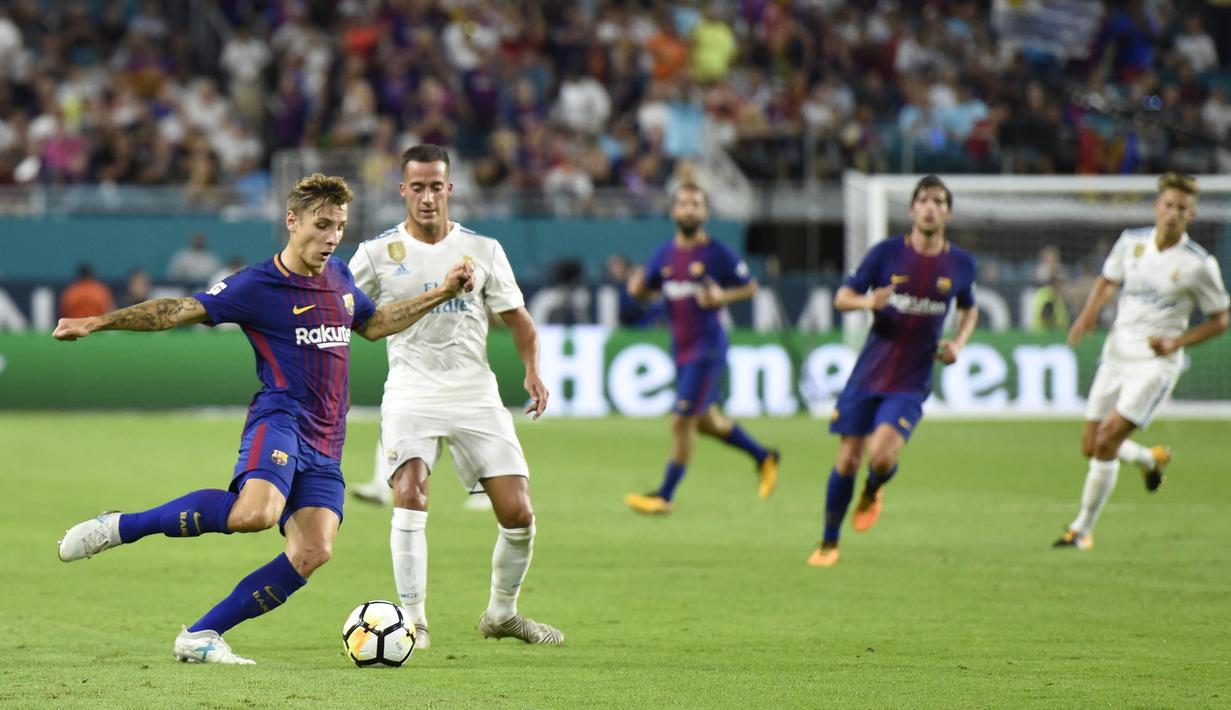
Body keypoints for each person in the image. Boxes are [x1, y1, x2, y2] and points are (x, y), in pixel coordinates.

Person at [54, 173, 476, 664]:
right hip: (280, 418)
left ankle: (201, 635)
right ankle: (121, 526)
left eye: (340, 226)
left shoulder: (339, 276)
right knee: (256, 514)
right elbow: (177, 310)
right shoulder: (257, 284)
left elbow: (374, 323)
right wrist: (99, 321)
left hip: (327, 438)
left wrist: (442, 292)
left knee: (314, 551)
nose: (332, 237)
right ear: (292, 222)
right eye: (322, 225)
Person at [346, 144, 563, 648]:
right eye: (417, 188)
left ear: (450, 188)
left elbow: (520, 320)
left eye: (436, 187)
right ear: (402, 190)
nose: (427, 198)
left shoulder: (483, 249)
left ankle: (502, 614)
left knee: (519, 514)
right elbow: (350, 316)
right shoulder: (376, 254)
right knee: (410, 493)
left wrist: (532, 371)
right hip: (411, 390)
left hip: (474, 392)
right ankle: (413, 622)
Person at [808, 174, 978, 568]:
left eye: (939, 201)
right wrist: (869, 302)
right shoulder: (885, 254)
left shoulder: (960, 264)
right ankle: (829, 543)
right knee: (847, 459)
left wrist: (958, 343)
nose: (931, 207)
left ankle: (873, 488)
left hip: (911, 381)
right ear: (912, 209)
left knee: (881, 456)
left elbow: (969, 309)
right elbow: (842, 297)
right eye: (924, 200)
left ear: (948, 213)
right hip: (868, 374)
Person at [1054, 173, 1229, 551]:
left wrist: (1177, 342)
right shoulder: (1130, 243)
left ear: (1192, 215)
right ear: (1156, 207)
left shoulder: (1199, 264)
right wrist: (1087, 316)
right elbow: (1107, 281)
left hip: (1154, 365)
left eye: (1182, 208)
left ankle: (1081, 530)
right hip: (1116, 355)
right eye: (1168, 205)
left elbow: (1221, 320)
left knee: (1106, 441)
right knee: (1091, 445)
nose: (1173, 214)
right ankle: (1150, 459)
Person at [623, 182, 779, 515]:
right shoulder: (663, 254)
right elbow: (647, 290)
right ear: (673, 211)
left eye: (695, 204)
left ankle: (665, 495)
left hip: (707, 349)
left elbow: (750, 287)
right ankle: (764, 456)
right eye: (683, 203)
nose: (689, 209)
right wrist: (637, 290)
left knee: (681, 420)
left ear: (705, 212)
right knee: (707, 422)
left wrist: (723, 296)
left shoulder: (717, 253)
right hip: (680, 350)